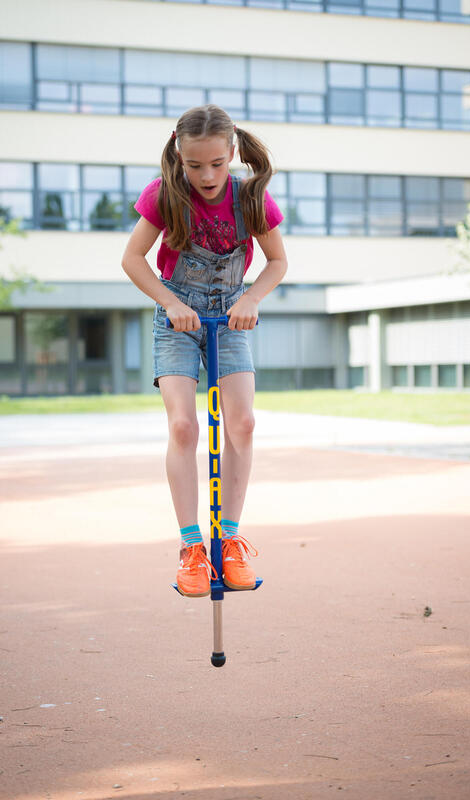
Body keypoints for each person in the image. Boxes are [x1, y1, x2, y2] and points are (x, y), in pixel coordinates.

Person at [121, 104, 288, 598]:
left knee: (243, 422)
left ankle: (230, 539)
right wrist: (170, 302)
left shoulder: (250, 198)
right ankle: (192, 546)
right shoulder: (164, 195)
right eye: (195, 166)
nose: (206, 175)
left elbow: (277, 261)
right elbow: (133, 259)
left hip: (231, 317)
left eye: (216, 164)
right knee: (183, 426)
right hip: (178, 320)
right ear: (180, 154)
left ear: (231, 153)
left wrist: (252, 297)